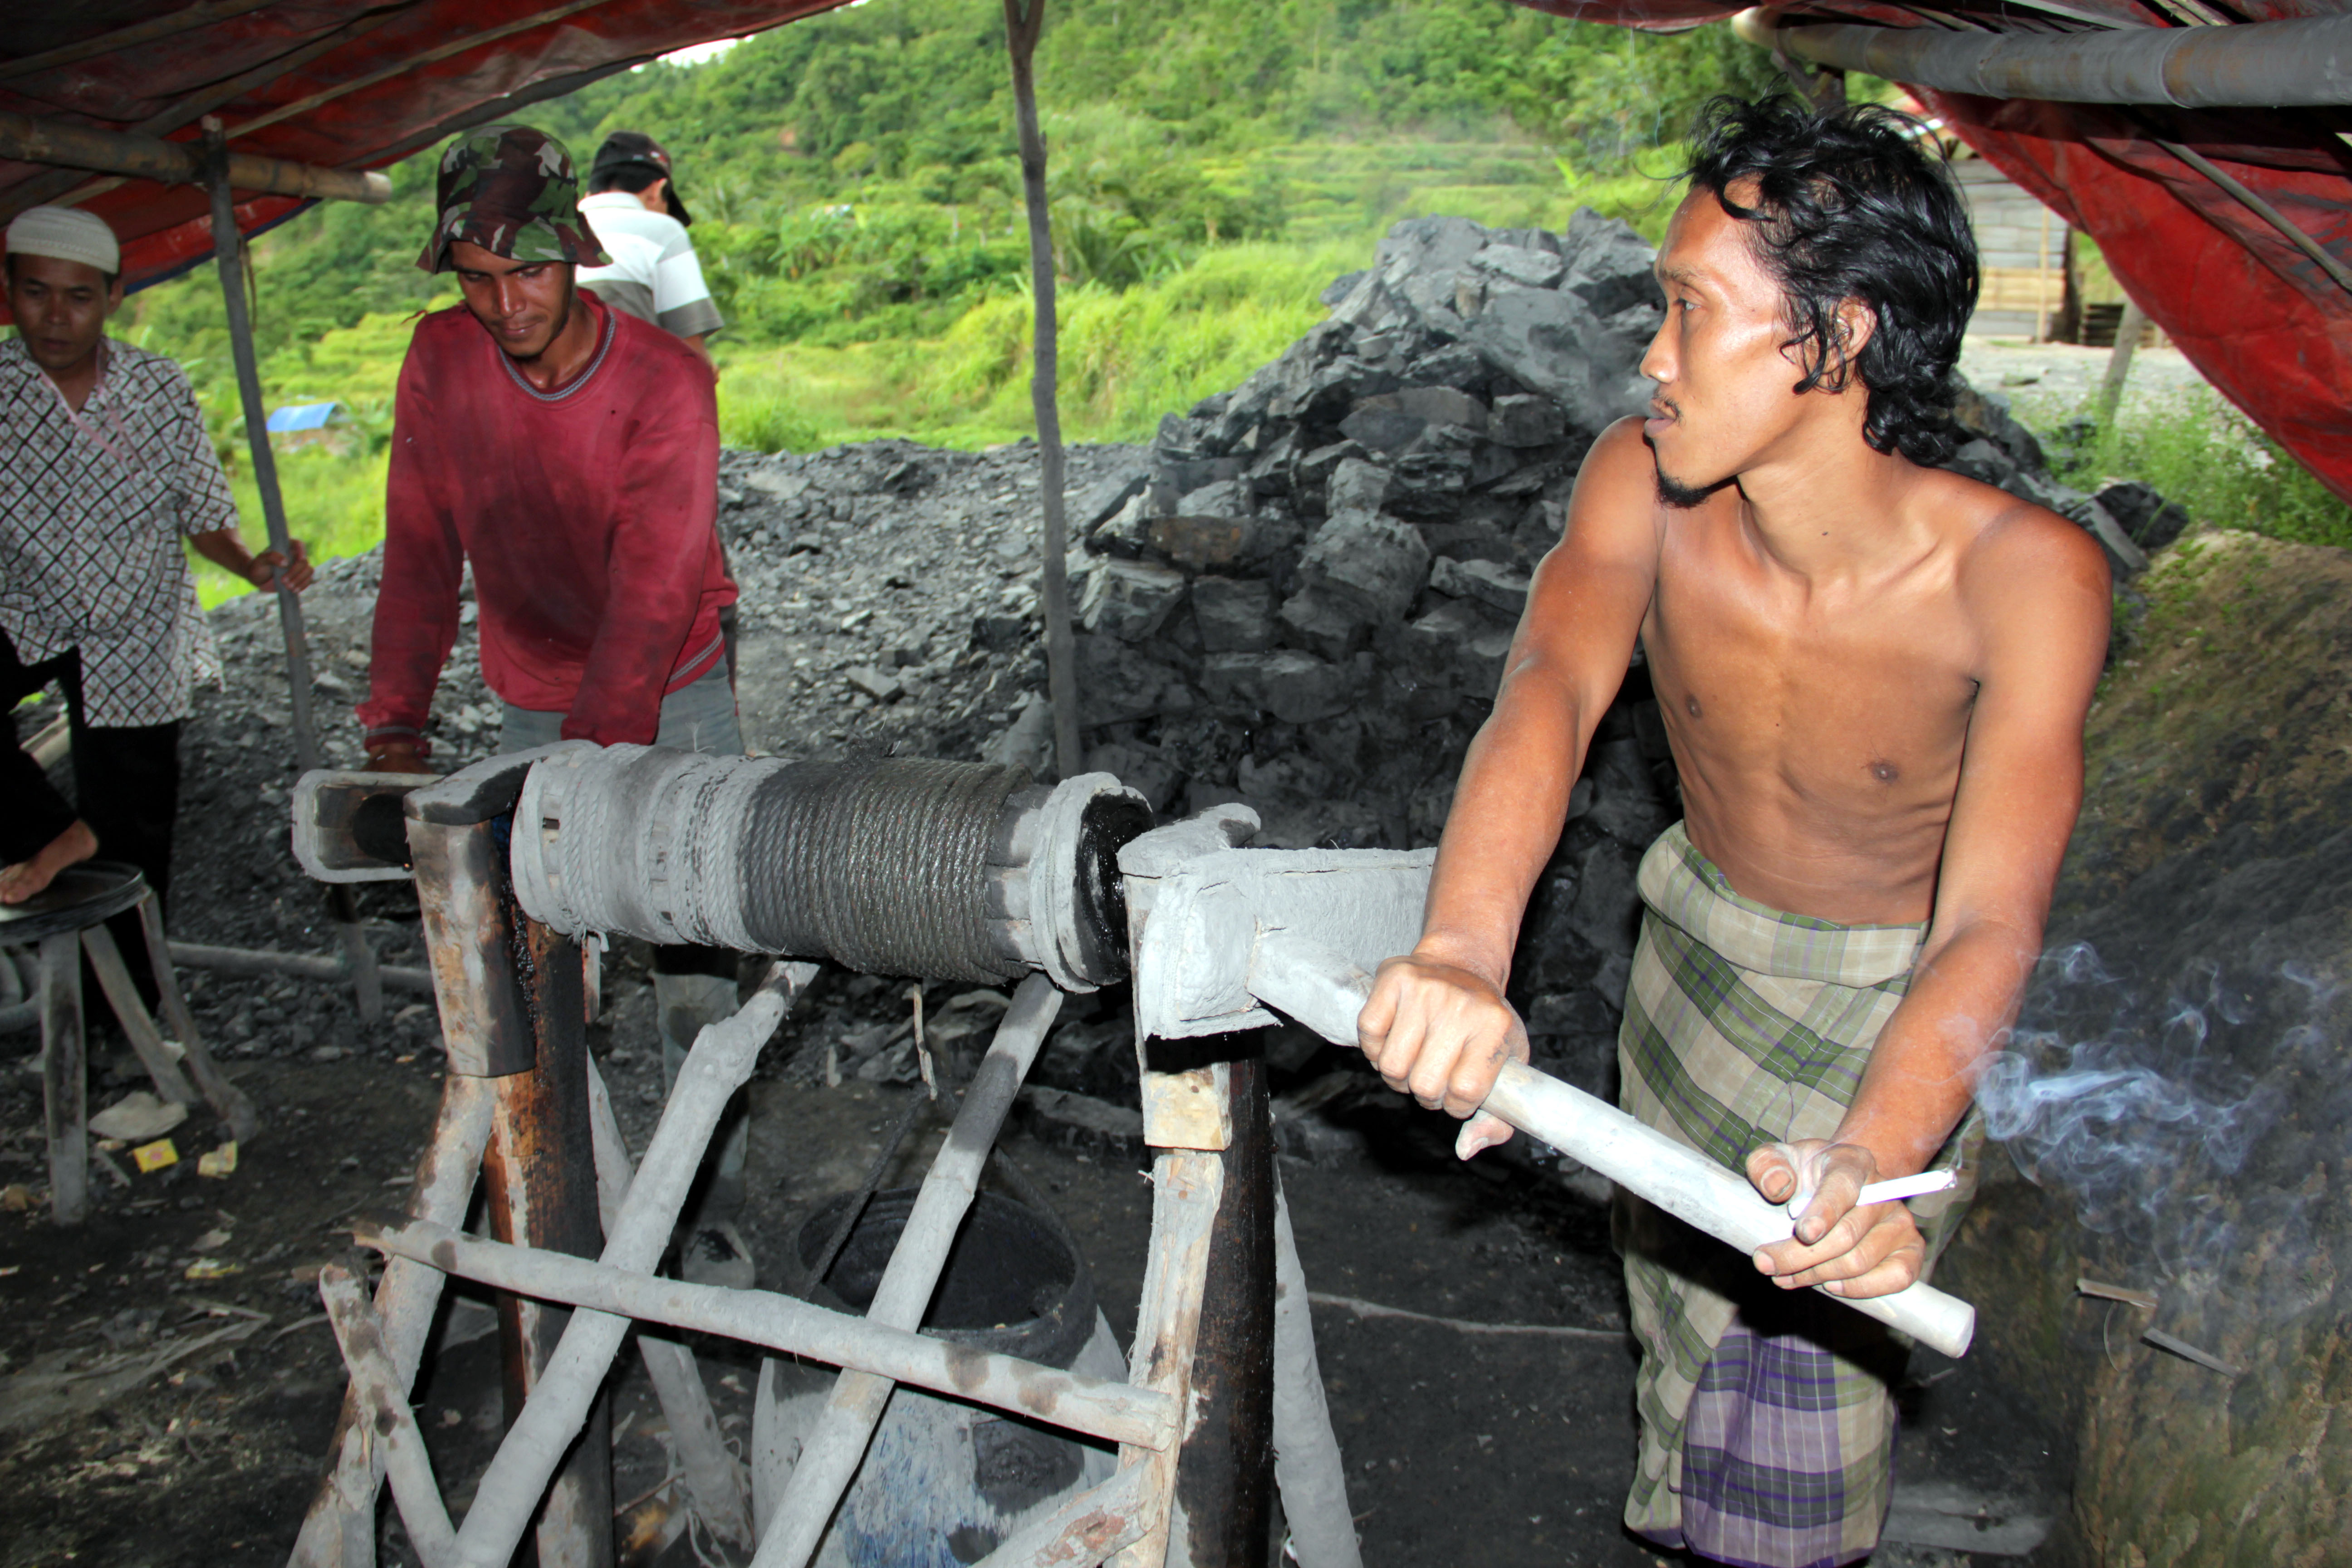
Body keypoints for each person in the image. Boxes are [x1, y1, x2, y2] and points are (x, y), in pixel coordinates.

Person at [1357, 98, 2108, 1568]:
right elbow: (1547, 689)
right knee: (1681, 1326)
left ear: (1838, 334)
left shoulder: (2023, 578)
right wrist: (1457, 950)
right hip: (1686, 960)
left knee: (1801, 1409)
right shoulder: (1637, 478)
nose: (1649, 355)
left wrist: (1874, 1158)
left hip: (1887, 1018)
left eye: (1691, 311)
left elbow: (1988, 924)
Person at [355, 125, 752, 1288]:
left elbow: (656, 583)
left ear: (573, 257)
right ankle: (551, 1208)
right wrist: (397, 721)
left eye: (528, 272)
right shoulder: (440, 361)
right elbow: (419, 544)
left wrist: (589, 769)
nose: (505, 303)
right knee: (533, 966)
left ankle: (706, 1204)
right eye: (477, 280)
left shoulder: (666, 383)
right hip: (531, 686)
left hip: (668, 690)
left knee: (691, 946)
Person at [2, 205, 310, 958]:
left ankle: (128, 1016)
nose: (56, 316)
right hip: (23, 609)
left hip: (136, 625)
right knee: (92, 829)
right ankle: (55, 832)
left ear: (112, 297)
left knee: (136, 831)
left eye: (79, 297)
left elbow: (203, 513)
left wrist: (252, 566)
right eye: (37, 292)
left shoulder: (157, 388)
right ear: (8, 291)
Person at [576, 133, 724, 363]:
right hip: (632, 388)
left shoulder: (548, 233)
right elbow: (691, 352)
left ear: (589, 195)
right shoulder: (663, 231)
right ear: (657, 191)